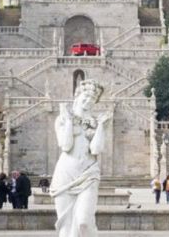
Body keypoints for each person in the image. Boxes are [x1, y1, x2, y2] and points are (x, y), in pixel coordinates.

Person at [49, 79, 111, 237]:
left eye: (93, 99)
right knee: (66, 228)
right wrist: (69, 121)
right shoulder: (62, 119)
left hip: (88, 174)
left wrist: (101, 127)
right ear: (77, 96)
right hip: (65, 175)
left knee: (84, 222)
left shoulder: (95, 123)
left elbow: (96, 149)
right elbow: (65, 145)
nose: (89, 101)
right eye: (86, 96)